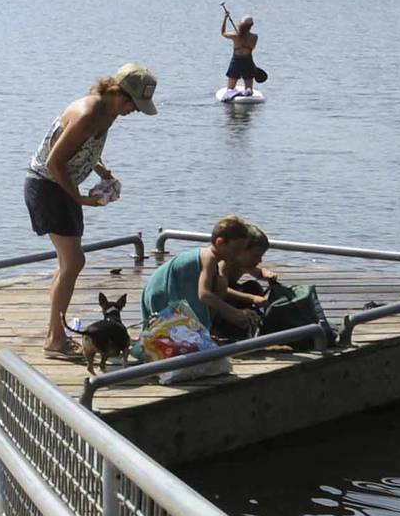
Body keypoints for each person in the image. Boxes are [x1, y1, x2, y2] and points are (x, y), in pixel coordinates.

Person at [25, 63, 157, 361]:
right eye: (133, 104)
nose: (134, 111)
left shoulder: (108, 112)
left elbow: (82, 149)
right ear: (118, 92)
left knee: (67, 265)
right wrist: (80, 200)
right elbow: (54, 162)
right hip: (48, 187)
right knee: (74, 261)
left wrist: (101, 170)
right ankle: (55, 340)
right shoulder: (88, 114)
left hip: (60, 188)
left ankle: (54, 335)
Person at [141, 215, 274, 341]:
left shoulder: (216, 259)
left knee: (220, 284)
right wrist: (233, 313)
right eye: (236, 249)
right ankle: (203, 333)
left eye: (242, 250)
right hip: (160, 291)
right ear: (220, 242)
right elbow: (204, 295)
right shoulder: (209, 258)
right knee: (218, 287)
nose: (238, 254)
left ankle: (205, 331)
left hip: (179, 288)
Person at [220, 7, 264, 97]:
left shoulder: (235, 35)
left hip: (236, 61)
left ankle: (232, 92)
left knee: (230, 88)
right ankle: (248, 91)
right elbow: (253, 48)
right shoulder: (254, 37)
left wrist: (225, 19)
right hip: (248, 61)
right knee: (249, 86)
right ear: (251, 25)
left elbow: (223, 33)